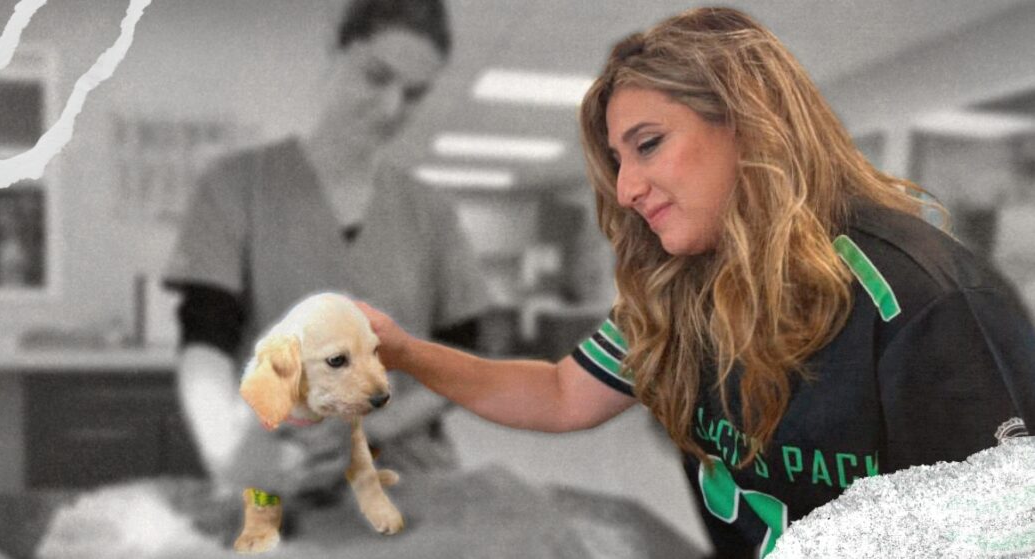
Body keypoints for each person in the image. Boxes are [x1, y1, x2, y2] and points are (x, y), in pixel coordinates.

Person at [355, 7, 1035, 559]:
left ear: (752, 125)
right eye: (618, 161)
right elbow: (561, 394)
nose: (626, 188)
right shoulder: (685, 285)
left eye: (649, 144)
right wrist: (405, 351)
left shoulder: (922, 300)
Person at [162, 0, 488, 535]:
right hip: (275, 470)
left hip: (406, 479)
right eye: (376, 76)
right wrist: (228, 449)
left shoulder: (431, 214)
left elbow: (461, 363)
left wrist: (368, 431)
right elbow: (205, 341)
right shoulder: (236, 188)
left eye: (413, 94)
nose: (391, 108)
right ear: (335, 48)